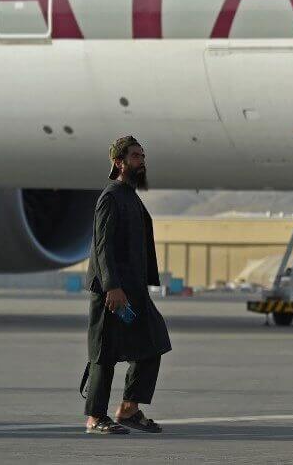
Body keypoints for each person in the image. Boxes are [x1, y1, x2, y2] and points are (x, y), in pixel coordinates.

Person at [82, 136, 171, 435]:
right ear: (119, 162)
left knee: (154, 342)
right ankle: (95, 417)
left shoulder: (130, 196)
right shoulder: (111, 197)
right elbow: (102, 247)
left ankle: (129, 409)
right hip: (112, 291)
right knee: (104, 354)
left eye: (143, 156)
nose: (141, 161)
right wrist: (112, 287)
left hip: (134, 289)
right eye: (135, 156)